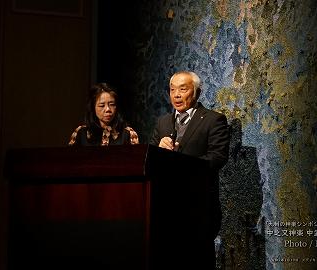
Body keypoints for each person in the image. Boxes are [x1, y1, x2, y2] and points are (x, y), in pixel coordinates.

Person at [150, 70, 230, 239]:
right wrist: (158, 149)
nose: (176, 95)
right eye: (172, 90)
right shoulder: (162, 122)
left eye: (183, 89)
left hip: (198, 204)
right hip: (165, 206)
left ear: (197, 92)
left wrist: (183, 163)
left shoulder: (214, 120)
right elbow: (150, 161)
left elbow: (217, 157)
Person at [69, 83, 139, 146]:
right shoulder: (81, 132)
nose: (108, 109)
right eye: (102, 105)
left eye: (112, 104)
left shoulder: (128, 133)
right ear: (93, 108)